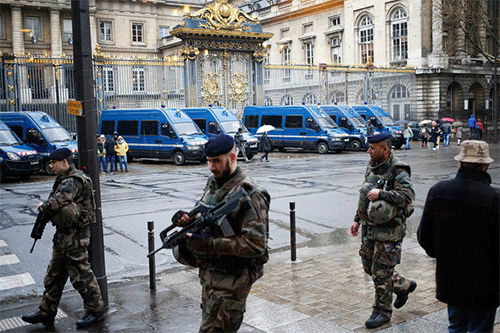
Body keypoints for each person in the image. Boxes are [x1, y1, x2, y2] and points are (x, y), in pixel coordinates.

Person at [172, 134, 270, 333]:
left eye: (217, 161)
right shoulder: (214, 183)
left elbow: (256, 244)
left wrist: (211, 244)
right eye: (209, 161)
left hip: (232, 281)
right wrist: (187, 219)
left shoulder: (251, 193)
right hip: (212, 276)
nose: (212, 166)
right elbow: (206, 214)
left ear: (232, 158)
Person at [417, 140, 499, 333]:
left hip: (451, 279)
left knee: (456, 326)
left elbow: (424, 236)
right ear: (485, 166)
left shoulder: (438, 191)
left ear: (460, 163)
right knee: (480, 329)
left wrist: (445, 255)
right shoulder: (493, 198)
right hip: (485, 285)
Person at [21, 148, 105, 328]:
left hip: (75, 237)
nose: (51, 166)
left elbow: (56, 202)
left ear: (64, 162)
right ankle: (46, 313)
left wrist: (42, 207)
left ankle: (95, 310)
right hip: (64, 237)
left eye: (54, 163)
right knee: (54, 276)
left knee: (81, 276)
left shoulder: (73, 181)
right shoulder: (66, 179)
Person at [350, 133, 417, 329]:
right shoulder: (371, 167)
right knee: (368, 266)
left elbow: (408, 197)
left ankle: (382, 312)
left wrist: (383, 193)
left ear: (385, 149)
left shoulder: (398, 169)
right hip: (370, 227)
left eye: (372, 148)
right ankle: (403, 286)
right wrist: (357, 219)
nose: (368, 151)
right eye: (368, 147)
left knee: (381, 272)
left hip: (390, 231)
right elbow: (364, 195)